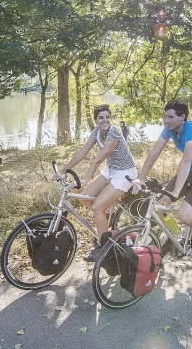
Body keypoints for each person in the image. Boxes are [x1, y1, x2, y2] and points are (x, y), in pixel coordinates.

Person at [138, 100, 192, 257]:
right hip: (189, 171)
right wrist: (140, 178)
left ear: (182, 117)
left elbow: (186, 160)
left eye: (170, 117)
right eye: (165, 116)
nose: (166, 120)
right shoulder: (169, 129)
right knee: (160, 207)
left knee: (184, 215)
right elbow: (155, 152)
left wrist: (176, 191)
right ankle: (175, 236)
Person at [58, 105, 137, 261]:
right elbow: (82, 152)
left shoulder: (114, 132)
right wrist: (64, 169)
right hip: (110, 170)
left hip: (125, 173)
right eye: (101, 117)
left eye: (107, 117)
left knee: (97, 207)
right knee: (84, 198)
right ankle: (105, 220)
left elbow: (98, 158)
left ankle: (104, 246)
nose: (105, 120)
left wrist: (86, 178)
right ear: (96, 120)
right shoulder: (96, 132)